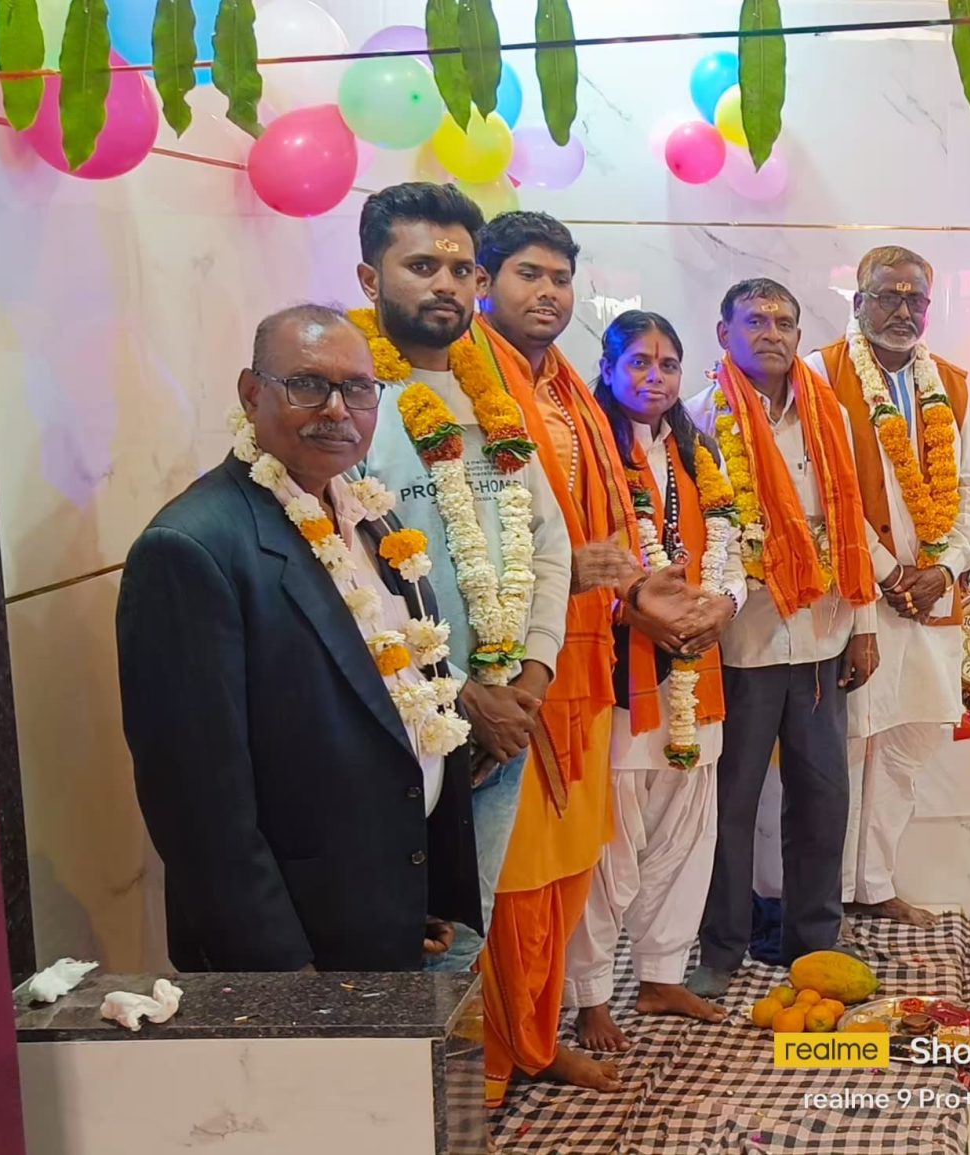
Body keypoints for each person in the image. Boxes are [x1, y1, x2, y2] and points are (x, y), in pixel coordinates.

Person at [119, 305, 476, 972]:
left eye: (358, 388)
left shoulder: (368, 514)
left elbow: (399, 703)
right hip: (296, 944)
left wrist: (420, 891)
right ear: (252, 393)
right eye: (308, 384)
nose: (337, 410)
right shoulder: (194, 547)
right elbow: (199, 809)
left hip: (385, 907)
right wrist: (284, 978)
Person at [471, 214, 731, 1098]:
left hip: (596, 657)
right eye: (528, 274)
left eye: (560, 278)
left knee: (584, 858)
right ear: (486, 283)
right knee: (539, 867)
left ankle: (548, 1029)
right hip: (530, 668)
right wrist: (602, 588)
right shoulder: (473, 384)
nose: (548, 292)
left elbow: (615, 533)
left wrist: (670, 598)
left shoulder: (573, 398)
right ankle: (517, 1042)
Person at [352, 184, 574, 978]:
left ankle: (460, 1065)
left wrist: (529, 682)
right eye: (421, 265)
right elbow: (348, 578)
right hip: (398, 726)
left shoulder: (495, 397)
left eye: (460, 268)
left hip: (503, 720)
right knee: (397, 943)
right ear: (370, 279)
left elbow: (549, 544)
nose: (445, 284)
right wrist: (457, 694)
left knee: (465, 933)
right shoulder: (352, 402)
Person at [689, 278, 881, 997]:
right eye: (755, 321)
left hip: (824, 635)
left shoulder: (827, 412)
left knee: (823, 798)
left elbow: (850, 517)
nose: (771, 333)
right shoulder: (700, 416)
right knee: (731, 802)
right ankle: (721, 948)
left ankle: (814, 940)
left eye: (784, 322)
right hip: (742, 642)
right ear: (724, 333)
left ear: (799, 335)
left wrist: (864, 626)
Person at [566, 310, 746, 1054]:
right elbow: (573, 557)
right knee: (612, 844)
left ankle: (662, 974)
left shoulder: (697, 452)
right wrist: (639, 613)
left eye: (668, 364)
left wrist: (725, 605)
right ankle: (589, 994)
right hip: (621, 671)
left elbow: (733, 545)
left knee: (687, 830)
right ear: (608, 369)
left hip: (697, 669)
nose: (655, 377)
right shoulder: (586, 448)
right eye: (638, 362)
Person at [810, 246, 970, 928]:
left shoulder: (948, 383)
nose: (903, 310)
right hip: (857, 596)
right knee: (849, 745)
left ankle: (875, 884)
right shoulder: (821, 374)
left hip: (931, 599)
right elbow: (825, 491)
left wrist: (943, 569)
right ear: (858, 301)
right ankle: (829, 894)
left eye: (916, 298)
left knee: (907, 743)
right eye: (888, 295)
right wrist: (888, 571)